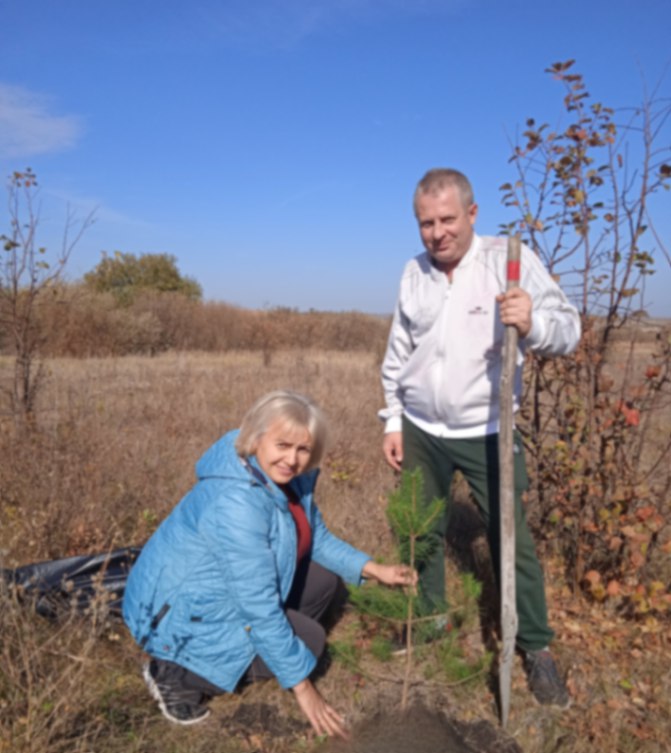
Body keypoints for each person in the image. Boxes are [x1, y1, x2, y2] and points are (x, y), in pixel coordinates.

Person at [379, 168, 581, 708]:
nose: (437, 233)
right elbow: (399, 352)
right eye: (426, 223)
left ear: (471, 214)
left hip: (487, 429)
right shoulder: (413, 273)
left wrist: (533, 322)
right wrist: (393, 418)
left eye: (447, 220)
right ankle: (429, 621)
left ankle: (535, 647)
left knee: (511, 538)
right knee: (420, 530)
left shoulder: (506, 260)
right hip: (422, 427)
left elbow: (569, 328)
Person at [123, 390, 415, 738]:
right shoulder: (237, 504)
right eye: (282, 445)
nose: (291, 459)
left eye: (302, 450)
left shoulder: (289, 481)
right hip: (180, 619)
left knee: (325, 582)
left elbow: (315, 537)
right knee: (310, 642)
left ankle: (264, 645)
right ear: (257, 438)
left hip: (223, 593)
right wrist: (303, 688)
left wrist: (373, 569)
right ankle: (173, 675)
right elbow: (258, 605)